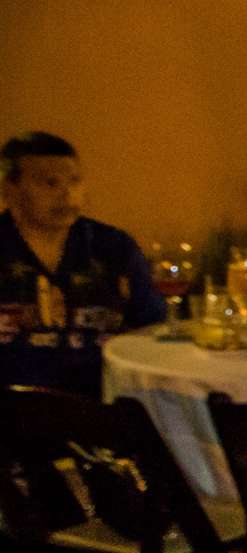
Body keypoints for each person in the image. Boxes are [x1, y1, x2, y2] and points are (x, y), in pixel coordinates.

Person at [0, 132, 166, 398]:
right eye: (50, 183)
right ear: (10, 191)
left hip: (104, 404)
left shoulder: (113, 247)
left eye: (74, 181)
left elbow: (153, 326)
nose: (67, 194)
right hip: (13, 413)